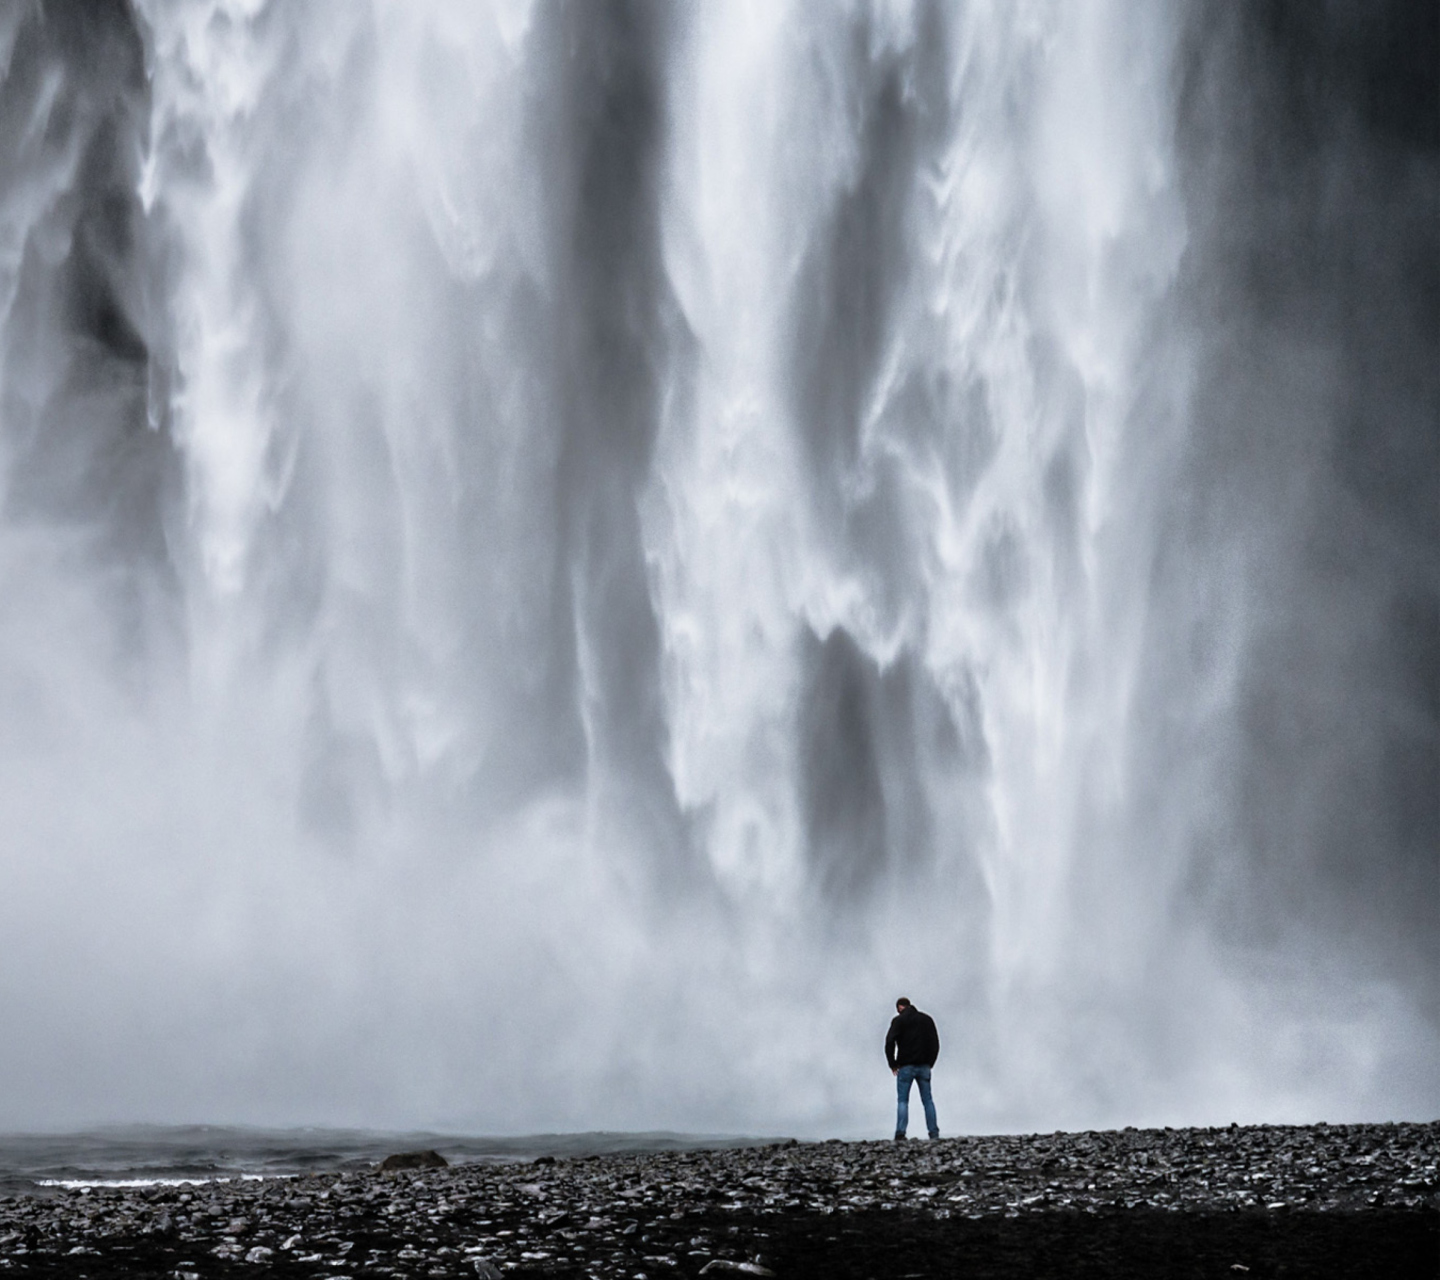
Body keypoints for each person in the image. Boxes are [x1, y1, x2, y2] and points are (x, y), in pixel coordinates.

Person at [885, 997, 939, 1140]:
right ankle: (933, 1132)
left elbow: (889, 1041)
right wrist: (930, 1062)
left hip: (905, 1066)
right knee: (927, 1100)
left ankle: (900, 1133)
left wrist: (892, 1063)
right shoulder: (927, 1020)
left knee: (903, 1101)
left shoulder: (898, 1021)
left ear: (900, 1007)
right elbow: (935, 1043)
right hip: (924, 1066)